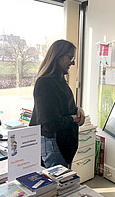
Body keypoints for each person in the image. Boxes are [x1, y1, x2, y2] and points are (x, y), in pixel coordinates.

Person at [30, 39, 85, 169]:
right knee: (58, 185)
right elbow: (48, 121)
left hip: (63, 144)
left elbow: (62, 105)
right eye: (70, 57)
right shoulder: (45, 83)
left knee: (64, 182)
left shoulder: (59, 80)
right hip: (54, 143)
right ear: (57, 56)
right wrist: (73, 118)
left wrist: (78, 109)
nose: (73, 62)